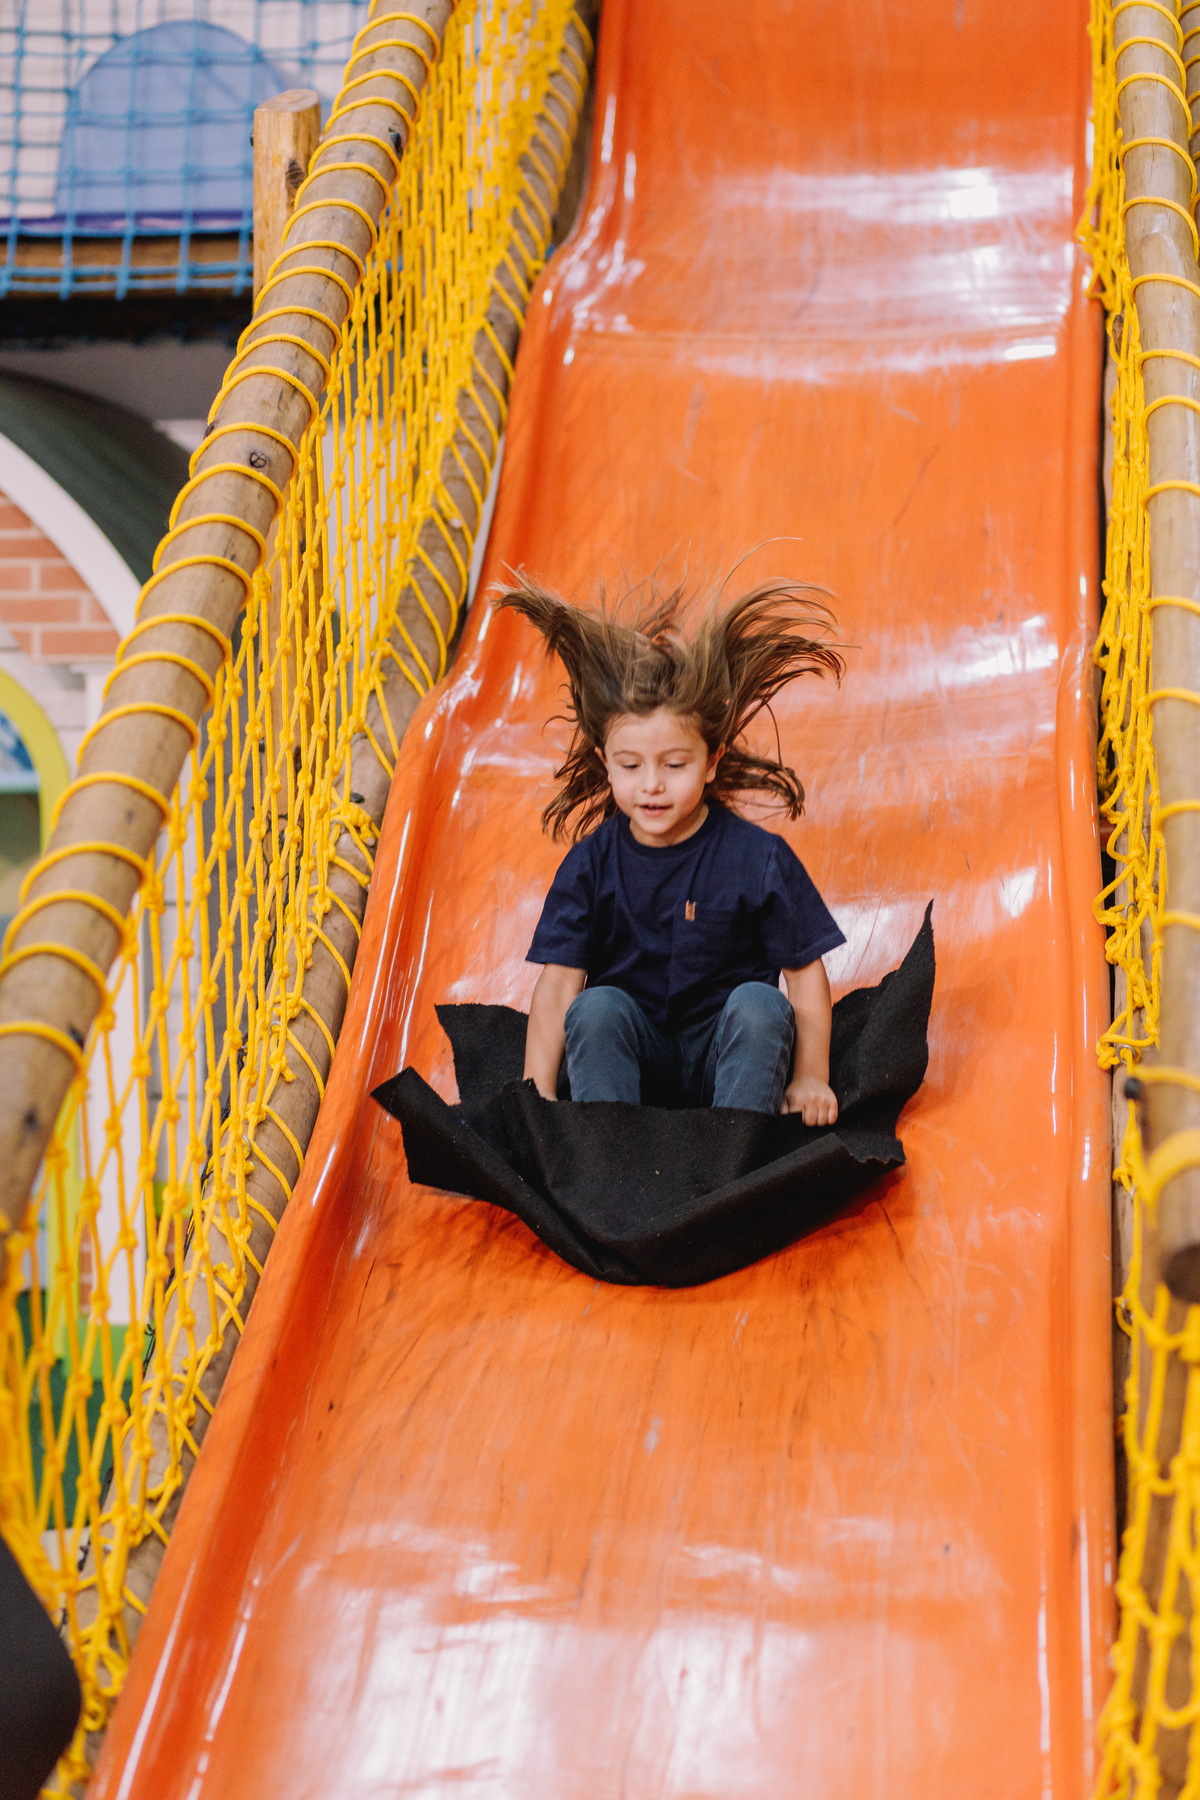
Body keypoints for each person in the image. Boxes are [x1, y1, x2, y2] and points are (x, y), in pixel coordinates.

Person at [497, 574, 847, 1121]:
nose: (652, 784)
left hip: (724, 1063)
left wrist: (809, 1078)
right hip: (640, 1062)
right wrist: (534, 1091)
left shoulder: (758, 860)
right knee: (596, 1007)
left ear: (711, 762)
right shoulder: (592, 865)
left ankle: (735, 1146)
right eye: (631, 766)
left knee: (760, 1005)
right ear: (605, 763)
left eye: (675, 765)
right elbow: (559, 983)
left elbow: (804, 975)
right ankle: (610, 1145)